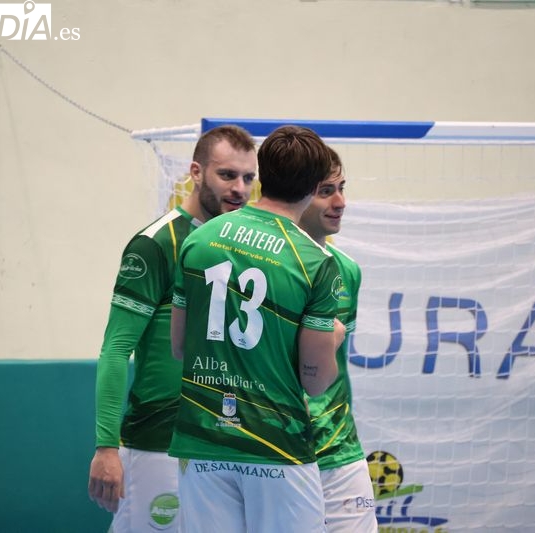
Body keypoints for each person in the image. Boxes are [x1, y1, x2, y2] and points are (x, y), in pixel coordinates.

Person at [169, 125, 346, 533]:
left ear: (263, 174)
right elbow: (315, 381)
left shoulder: (199, 239)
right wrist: (333, 337)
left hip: (203, 440)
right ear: (313, 186)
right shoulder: (315, 261)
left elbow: (179, 347)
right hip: (276, 446)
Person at [88, 125, 257, 532]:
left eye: (248, 177)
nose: (239, 188)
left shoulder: (245, 248)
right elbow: (116, 349)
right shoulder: (155, 244)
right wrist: (106, 447)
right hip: (157, 444)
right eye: (227, 175)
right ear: (196, 172)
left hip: (222, 443)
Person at [299, 148, 378, 532]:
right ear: (298, 196)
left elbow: (332, 369)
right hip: (281, 452)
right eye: (326, 191)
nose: (340, 202)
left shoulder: (348, 271)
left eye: (342, 188)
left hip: (340, 449)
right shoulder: (267, 267)